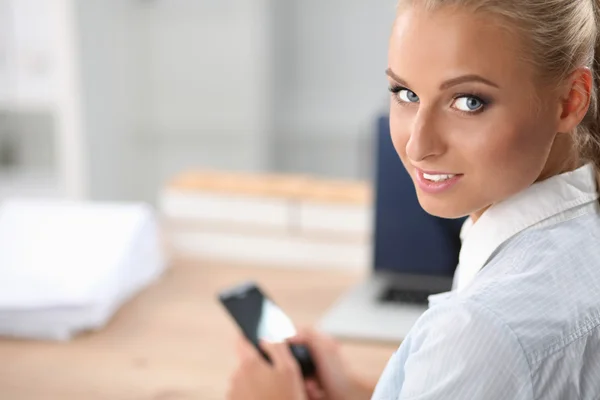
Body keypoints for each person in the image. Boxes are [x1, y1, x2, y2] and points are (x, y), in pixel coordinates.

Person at [226, 0, 600, 398]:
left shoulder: (480, 331)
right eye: (405, 93)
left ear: (570, 101)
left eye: (469, 101)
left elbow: (494, 352)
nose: (418, 146)